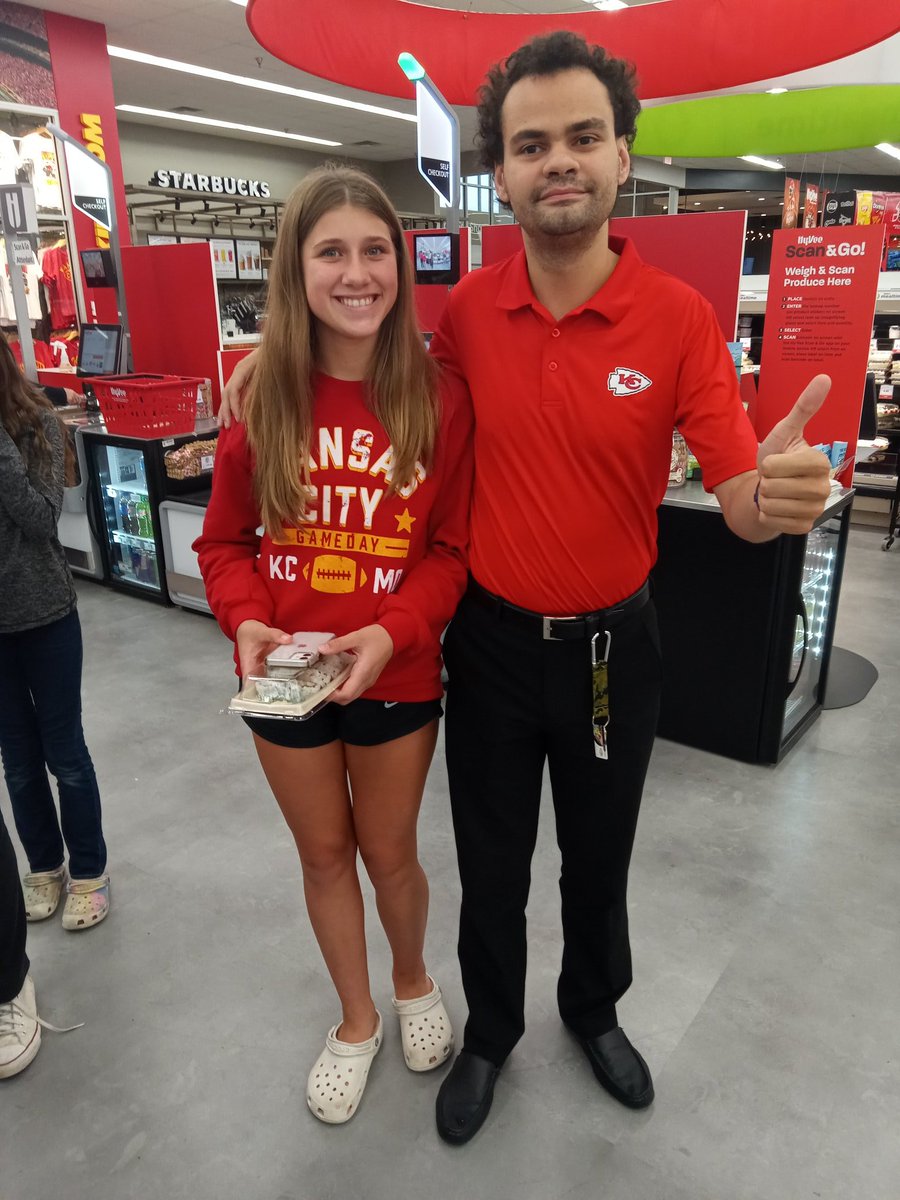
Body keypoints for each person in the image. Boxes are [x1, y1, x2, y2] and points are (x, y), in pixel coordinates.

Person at [217, 33, 832, 1144]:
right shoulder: (465, 315)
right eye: (532, 144)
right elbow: (380, 372)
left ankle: (593, 1012)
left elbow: (740, 496)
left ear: (621, 155)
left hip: (610, 655)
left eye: (582, 138)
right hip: (490, 646)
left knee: (598, 858)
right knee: (491, 864)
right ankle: (491, 1031)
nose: (559, 161)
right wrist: (277, 359)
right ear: (500, 172)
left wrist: (774, 499)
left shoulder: (679, 321)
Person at [195, 166, 473, 1125]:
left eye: (375, 250)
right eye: (331, 252)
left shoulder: (440, 398)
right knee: (323, 855)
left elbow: (451, 552)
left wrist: (392, 631)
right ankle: (356, 1020)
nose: (357, 274)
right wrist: (244, 621)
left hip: (398, 672)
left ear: (401, 263)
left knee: (390, 853)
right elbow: (223, 543)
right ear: (296, 269)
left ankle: (411, 980)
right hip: (283, 680)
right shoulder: (260, 399)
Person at [0, 333, 110, 933]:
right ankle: (44, 866)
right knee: (17, 760)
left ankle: (89, 871)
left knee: (65, 752)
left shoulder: (39, 424)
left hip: (46, 616)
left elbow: (42, 519)